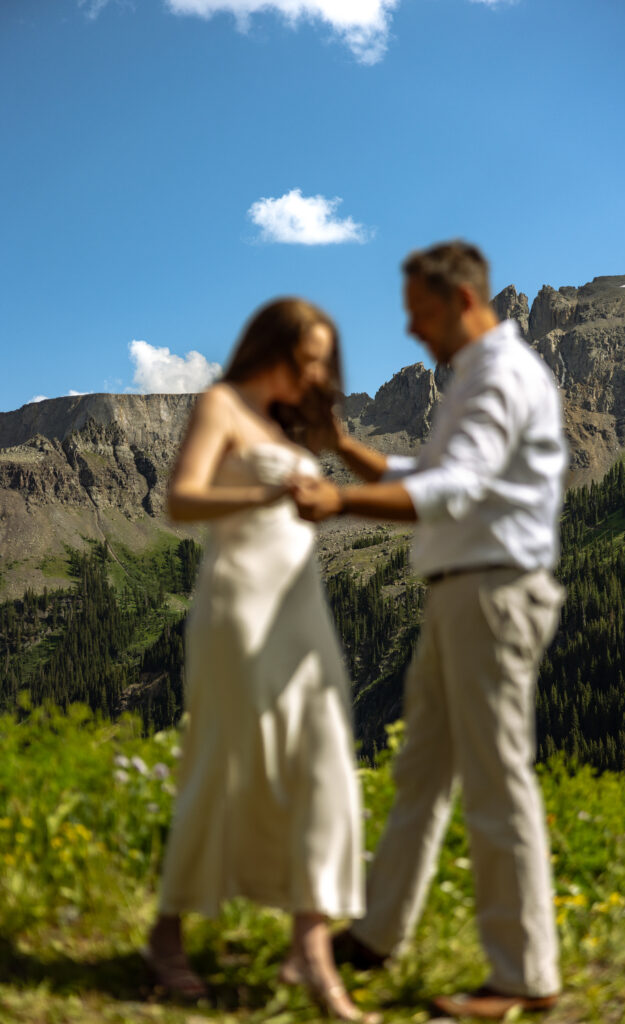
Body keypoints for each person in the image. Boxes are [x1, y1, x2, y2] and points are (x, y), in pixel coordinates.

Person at [289, 240, 568, 1020]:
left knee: (495, 780)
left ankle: (523, 977)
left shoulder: (499, 377)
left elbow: (456, 486)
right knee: (422, 770)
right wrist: (346, 450)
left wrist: (337, 501)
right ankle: (378, 934)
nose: (412, 331)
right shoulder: (476, 378)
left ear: (462, 300)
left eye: (419, 315)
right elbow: (429, 472)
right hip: (463, 595)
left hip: (489, 594)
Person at [145, 298, 378, 1024]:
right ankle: (168, 934)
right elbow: (179, 502)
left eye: (320, 360)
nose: (314, 370)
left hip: (300, 606)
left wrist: (322, 479)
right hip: (239, 603)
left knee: (324, 758)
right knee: (226, 757)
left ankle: (307, 947)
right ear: (269, 349)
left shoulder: (293, 425)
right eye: (305, 356)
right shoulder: (222, 404)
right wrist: (270, 488)